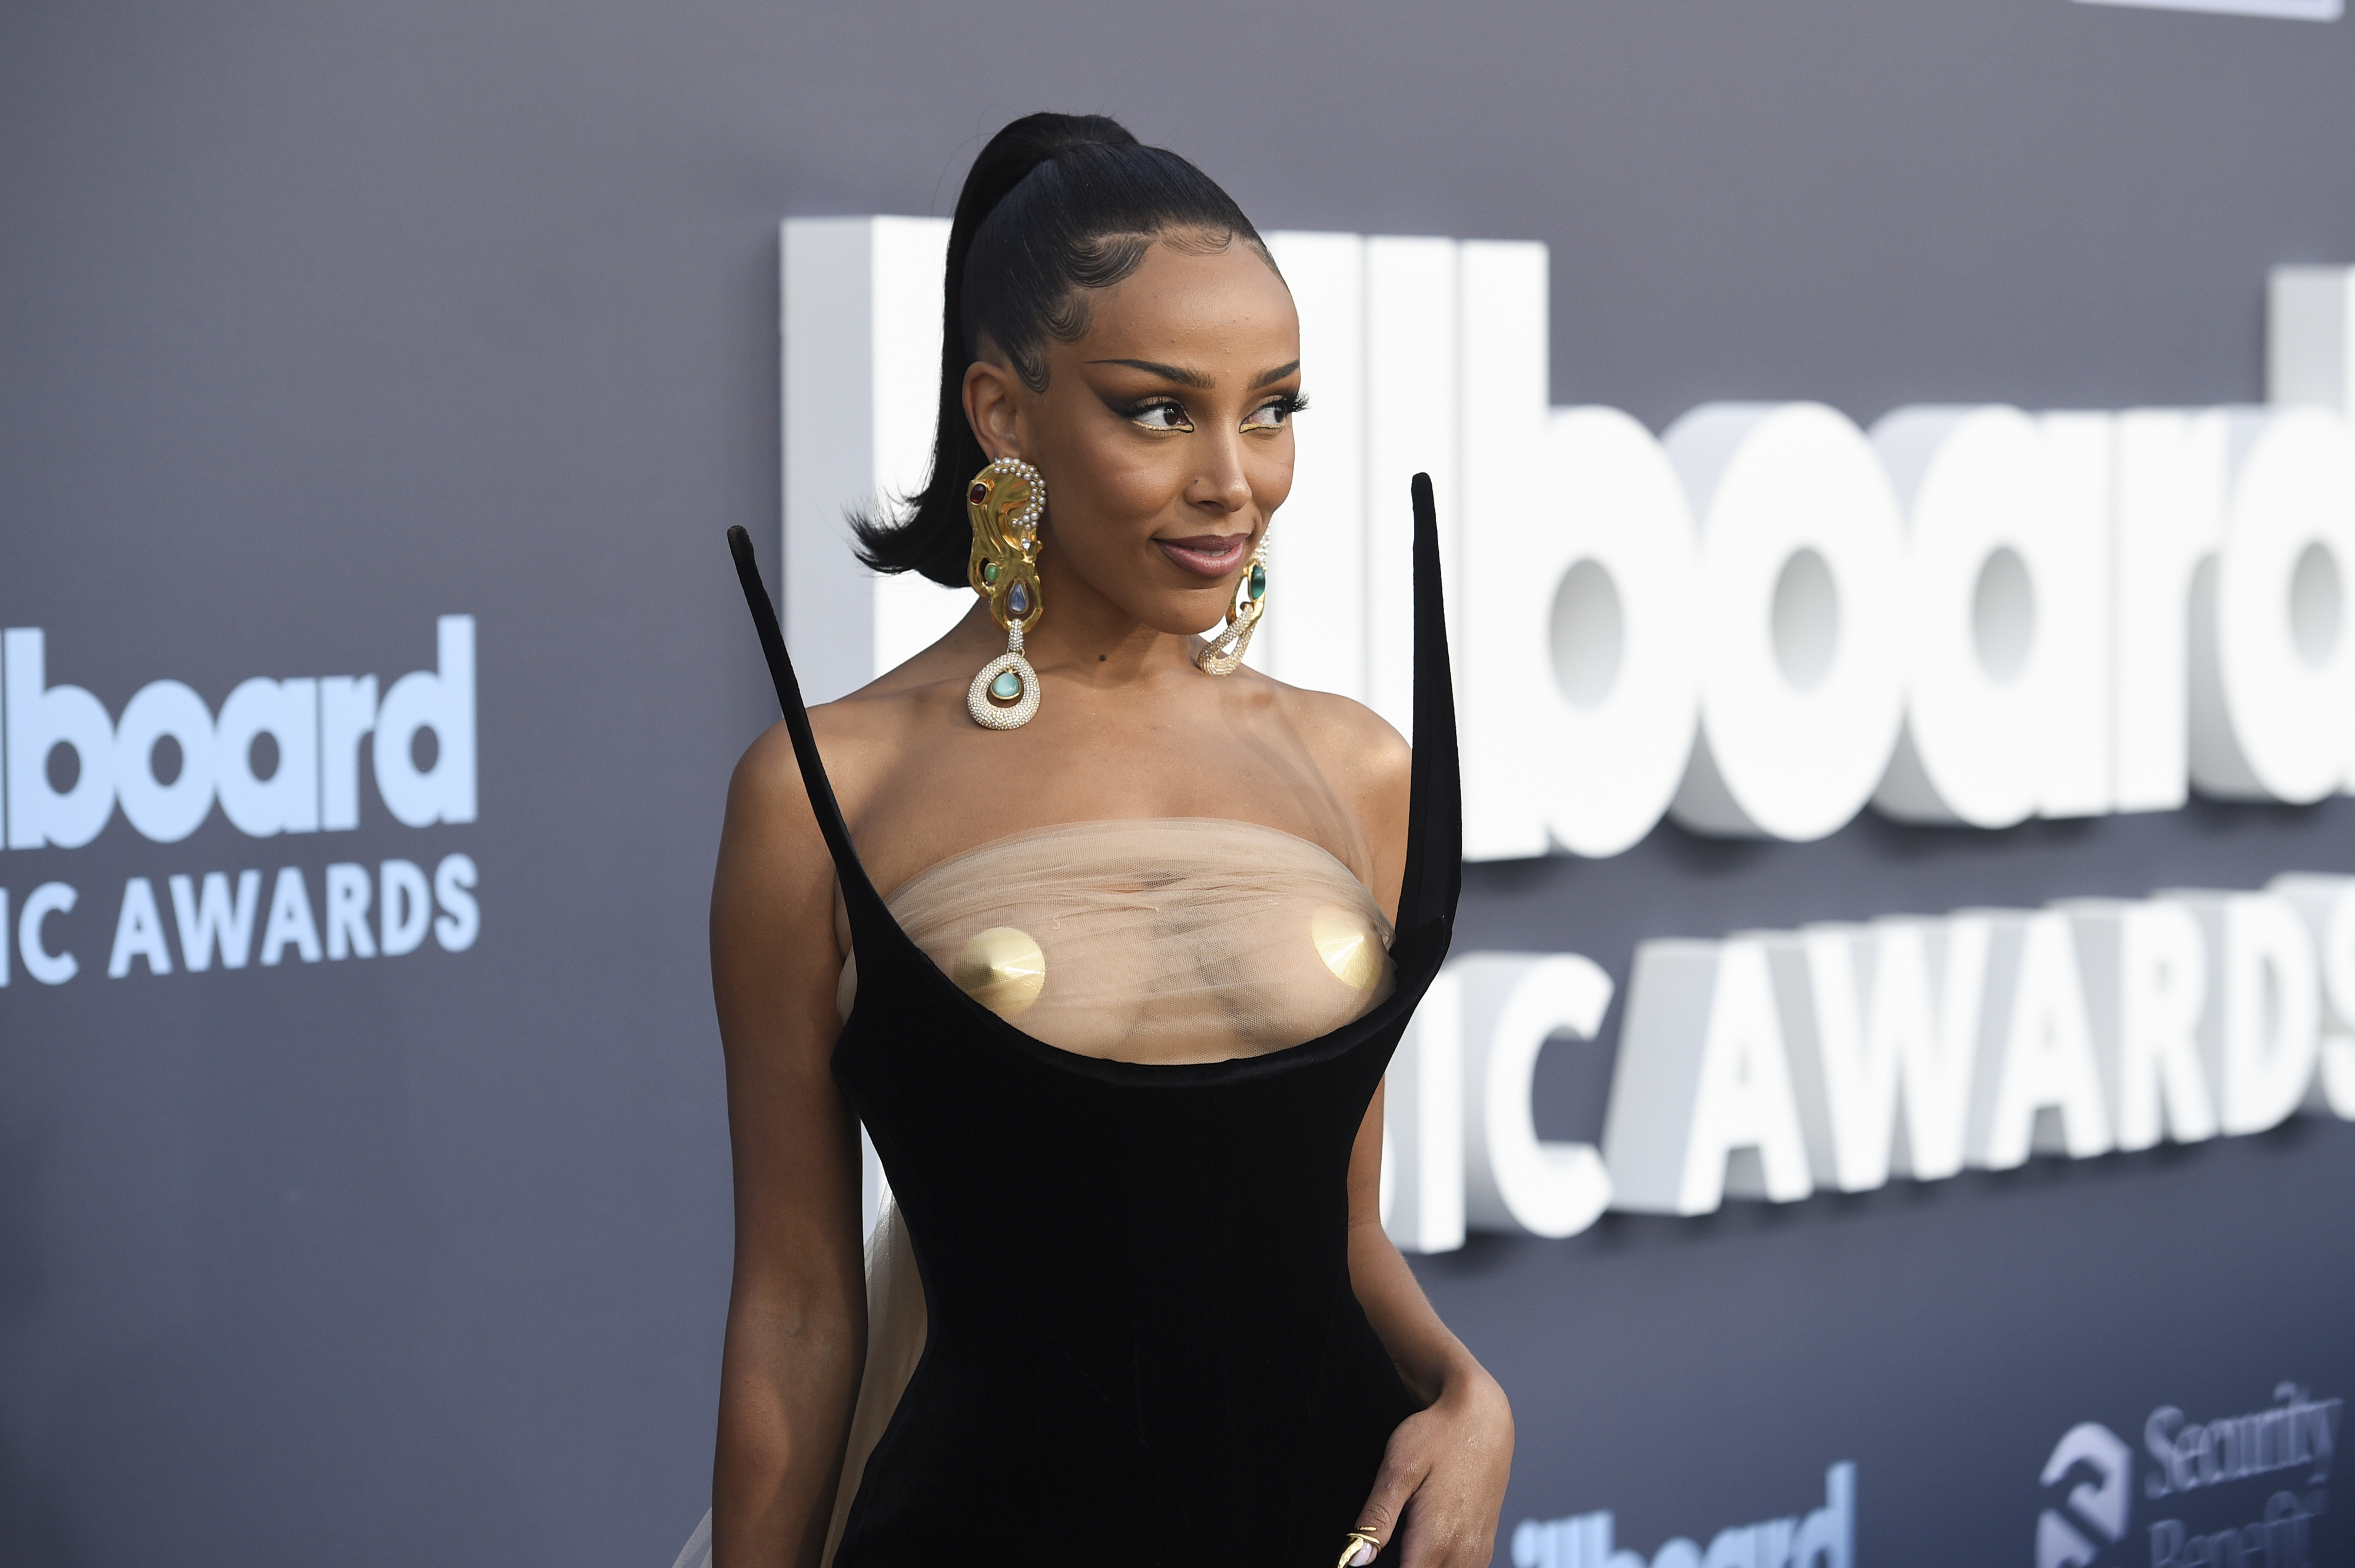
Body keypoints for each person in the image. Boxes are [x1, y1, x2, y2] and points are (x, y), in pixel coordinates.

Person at [684, 112, 1511, 1568]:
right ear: (1003, 416)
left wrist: (1465, 1390)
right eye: (1156, 410)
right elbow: (802, 1307)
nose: (1232, 480)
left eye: (1272, 409)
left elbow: (1339, 1233)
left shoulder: (1354, 766)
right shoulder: (822, 792)